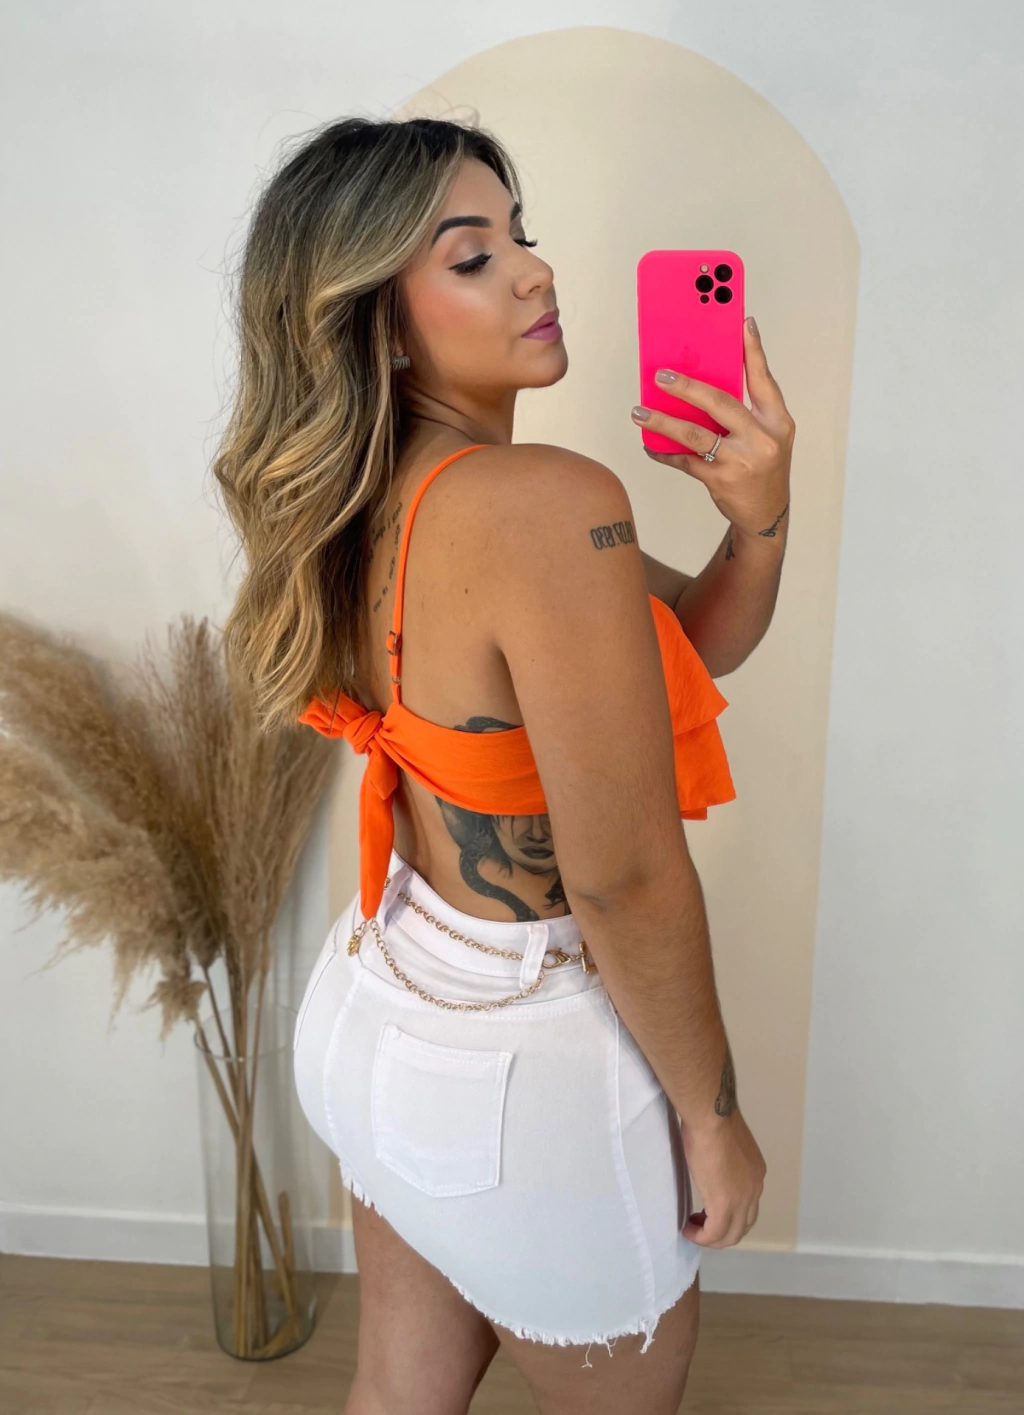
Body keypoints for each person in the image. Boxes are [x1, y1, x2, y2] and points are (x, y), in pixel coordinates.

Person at [214, 115, 793, 1415]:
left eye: (520, 236)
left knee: (397, 1391)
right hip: (521, 1063)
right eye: (473, 257)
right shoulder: (541, 501)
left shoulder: (362, 488)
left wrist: (758, 519)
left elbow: (683, 647)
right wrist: (712, 1115)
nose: (536, 271)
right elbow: (625, 875)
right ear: (376, 321)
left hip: (377, 1000)